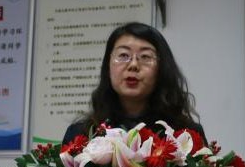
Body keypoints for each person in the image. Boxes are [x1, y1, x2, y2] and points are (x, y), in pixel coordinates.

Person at [61, 22, 204, 144]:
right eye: (123, 55)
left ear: (161, 69)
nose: (133, 65)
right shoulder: (81, 135)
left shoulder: (186, 135)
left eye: (145, 56)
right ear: (108, 66)